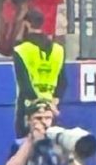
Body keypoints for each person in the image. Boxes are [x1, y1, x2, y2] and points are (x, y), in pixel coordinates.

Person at [13, 8, 67, 137]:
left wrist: (37, 104)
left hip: (28, 107)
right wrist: (51, 105)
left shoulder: (21, 50)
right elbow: (63, 82)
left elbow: (24, 84)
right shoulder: (58, 50)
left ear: (26, 24)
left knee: (25, 147)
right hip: (50, 110)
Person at [4, 100, 88, 165]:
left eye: (48, 118)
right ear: (28, 120)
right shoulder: (20, 144)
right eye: (38, 118)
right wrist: (30, 142)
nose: (44, 122)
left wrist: (68, 156)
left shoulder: (60, 143)